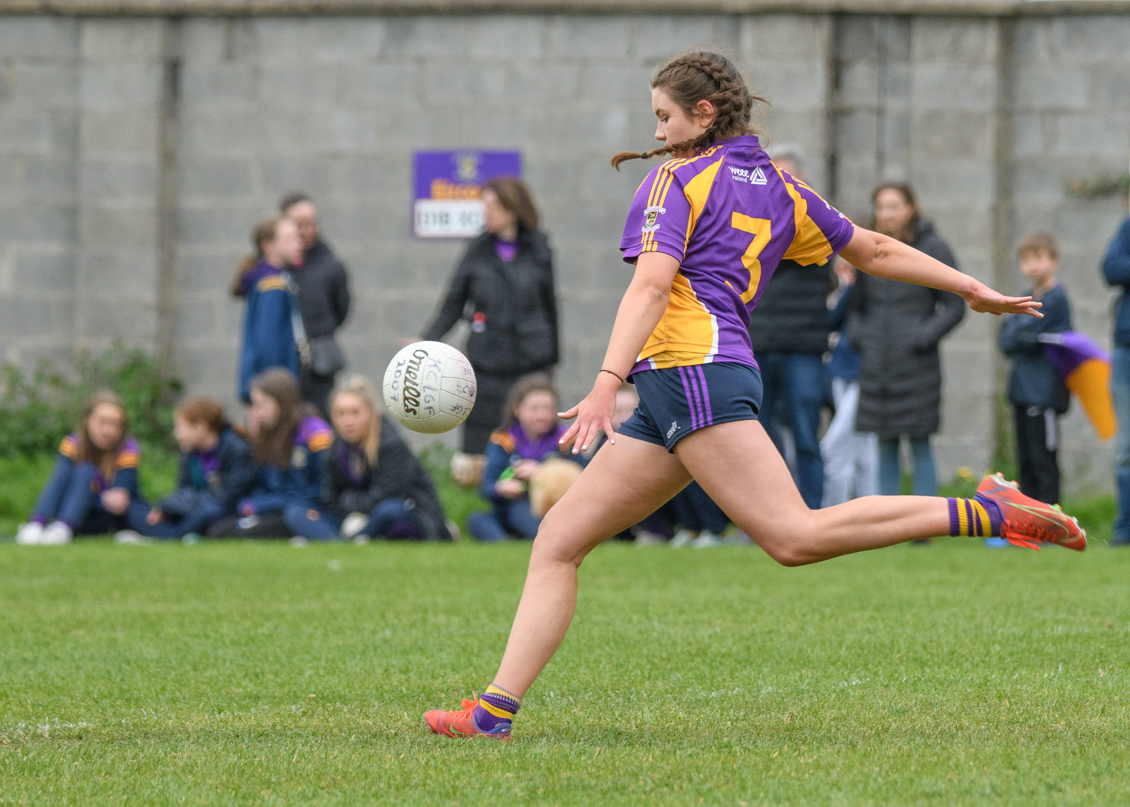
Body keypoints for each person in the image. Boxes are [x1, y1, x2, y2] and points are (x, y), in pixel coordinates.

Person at [422, 50, 1084, 741]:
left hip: (691, 371)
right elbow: (873, 249)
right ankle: (493, 713)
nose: (658, 130)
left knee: (793, 535)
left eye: (665, 116)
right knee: (560, 538)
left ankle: (987, 511)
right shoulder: (780, 184)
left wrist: (603, 384)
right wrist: (969, 286)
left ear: (702, 114)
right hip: (693, 378)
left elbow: (651, 287)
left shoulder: (674, 179)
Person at [416, 178, 559, 467]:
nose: (486, 213)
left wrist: (553, 357)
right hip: (486, 361)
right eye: (484, 206)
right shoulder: (476, 250)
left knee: (529, 434)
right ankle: (482, 498)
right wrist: (426, 342)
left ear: (512, 209)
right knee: (481, 438)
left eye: (492, 206)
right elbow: (453, 303)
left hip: (529, 362)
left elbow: (550, 306)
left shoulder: (540, 250)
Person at [849, 183, 965, 501]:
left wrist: (922, 336)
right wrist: (863, 338)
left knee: (919, 442)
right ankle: (890, 525)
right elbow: (854, 308)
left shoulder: (934, 248)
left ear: (911, 208)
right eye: (881, 207)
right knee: (884, 443)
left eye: (894, 206)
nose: (886, 214)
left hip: (918, 366)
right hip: (877, 367)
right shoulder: (867, 247)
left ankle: (926, 525)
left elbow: (956, 305)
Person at [745, 149, 833, 508]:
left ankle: (813, 511)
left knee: (806, 436)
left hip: (803, 346)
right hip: (758, 343)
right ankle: (772, 511)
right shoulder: (748, 220)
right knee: (759, 436)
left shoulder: (816, 221)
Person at [283, 375, 449, 542]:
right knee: (296, 512)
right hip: (350, 517)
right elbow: (328, 497)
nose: (348, 421)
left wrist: (348, 500)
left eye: (355, 413)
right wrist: (346, 508)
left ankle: (345, 539)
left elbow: (384, 496)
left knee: (390, 510)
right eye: (340, 414)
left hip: (402, 514)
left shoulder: (391, 444)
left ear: (371, 413)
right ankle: (346, 541)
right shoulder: (334, 448)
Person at [207, 369, 333, 538]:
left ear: (282, 403)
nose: (256, 413)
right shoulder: (268, 434)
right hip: (272, 509)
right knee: (220, 531)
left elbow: (317, 490)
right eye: (253, 405)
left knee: (246, 532)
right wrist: (252, 504)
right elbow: (263, 484)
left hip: (302, 511)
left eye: (261, 405)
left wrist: (264, 505)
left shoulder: (313, 432)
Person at [996, 232, 1072, 512]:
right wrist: (1022, 336)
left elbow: (1023, 337)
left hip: (1044, 393)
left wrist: (1021, 336)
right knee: (1025, 460)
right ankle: (1029, 522)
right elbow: (1005, 340)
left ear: (1054, 260)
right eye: (1026, 259)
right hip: (1021, 391)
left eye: (1039, 258)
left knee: (1044, 460)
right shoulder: (1025, 298)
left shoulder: (1056, 299)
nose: (1032, 265)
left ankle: (1052, 520)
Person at [120, 397, 257, 541]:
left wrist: (170, 505)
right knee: (136, 509)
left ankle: (169, 536)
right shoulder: (190, 453)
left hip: (224, 512)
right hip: (194, 509)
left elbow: (226, 498)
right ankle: (174, 535)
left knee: (208, 512)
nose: (176, 434)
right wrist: (166, 509)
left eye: (180, 427)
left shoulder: (237, 450)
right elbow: (183, 490)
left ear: (201, 427)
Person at [467, 375, 582, 542]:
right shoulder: (503, 440)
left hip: (551, 511)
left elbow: (583, 475)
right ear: (517, 409)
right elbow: (486, 487)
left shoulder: (565, 439)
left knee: (524, 513)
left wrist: (542, 473)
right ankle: (505, 543)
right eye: (534, 409)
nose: (542, 415)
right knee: (477, 520)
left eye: (548, 408)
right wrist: (501, 488)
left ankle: (540, 537)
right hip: (508, 508)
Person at [16, 391, 139, 545]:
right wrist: (97, 495)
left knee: (85, 471)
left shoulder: (128, 449)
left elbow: (118, 500)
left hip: (102, 518)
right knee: (77, 471)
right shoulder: (73, 443)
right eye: (102, 422)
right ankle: (37, 523)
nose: (109, 430)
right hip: (76, 510)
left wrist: (92, 495)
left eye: (115, 424)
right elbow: (59, 480)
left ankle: (61, 528)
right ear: (87, 421)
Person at [279, 193, 352, 418]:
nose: (306, 231)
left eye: (311, 223)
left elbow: (341, 309)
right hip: (281, 361)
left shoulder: (330, 264)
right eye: (299, 225)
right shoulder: (276, 266)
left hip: (319, 365)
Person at [821, 258, 879, 506]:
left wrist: (853, 284)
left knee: (835, 448)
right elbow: (831, 319)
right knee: (862, 449)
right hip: (841, 371)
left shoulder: (870, 286)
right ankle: (870, 512)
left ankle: (833, 511)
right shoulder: (844, 287)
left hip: (865, 374)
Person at [231, 215, 304, 404]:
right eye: (289, 240)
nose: (297, 244)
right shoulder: (272, 285)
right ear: (268, 246)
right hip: (272, 387)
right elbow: (268, 340)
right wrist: (277, 388)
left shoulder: (277, 278)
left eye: (297, 238)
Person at [1101, 213, 1130, 546]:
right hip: (1126, 351)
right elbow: (1111, 268)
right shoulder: (1127, 226)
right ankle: (1124, 529)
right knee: (1125, 448)